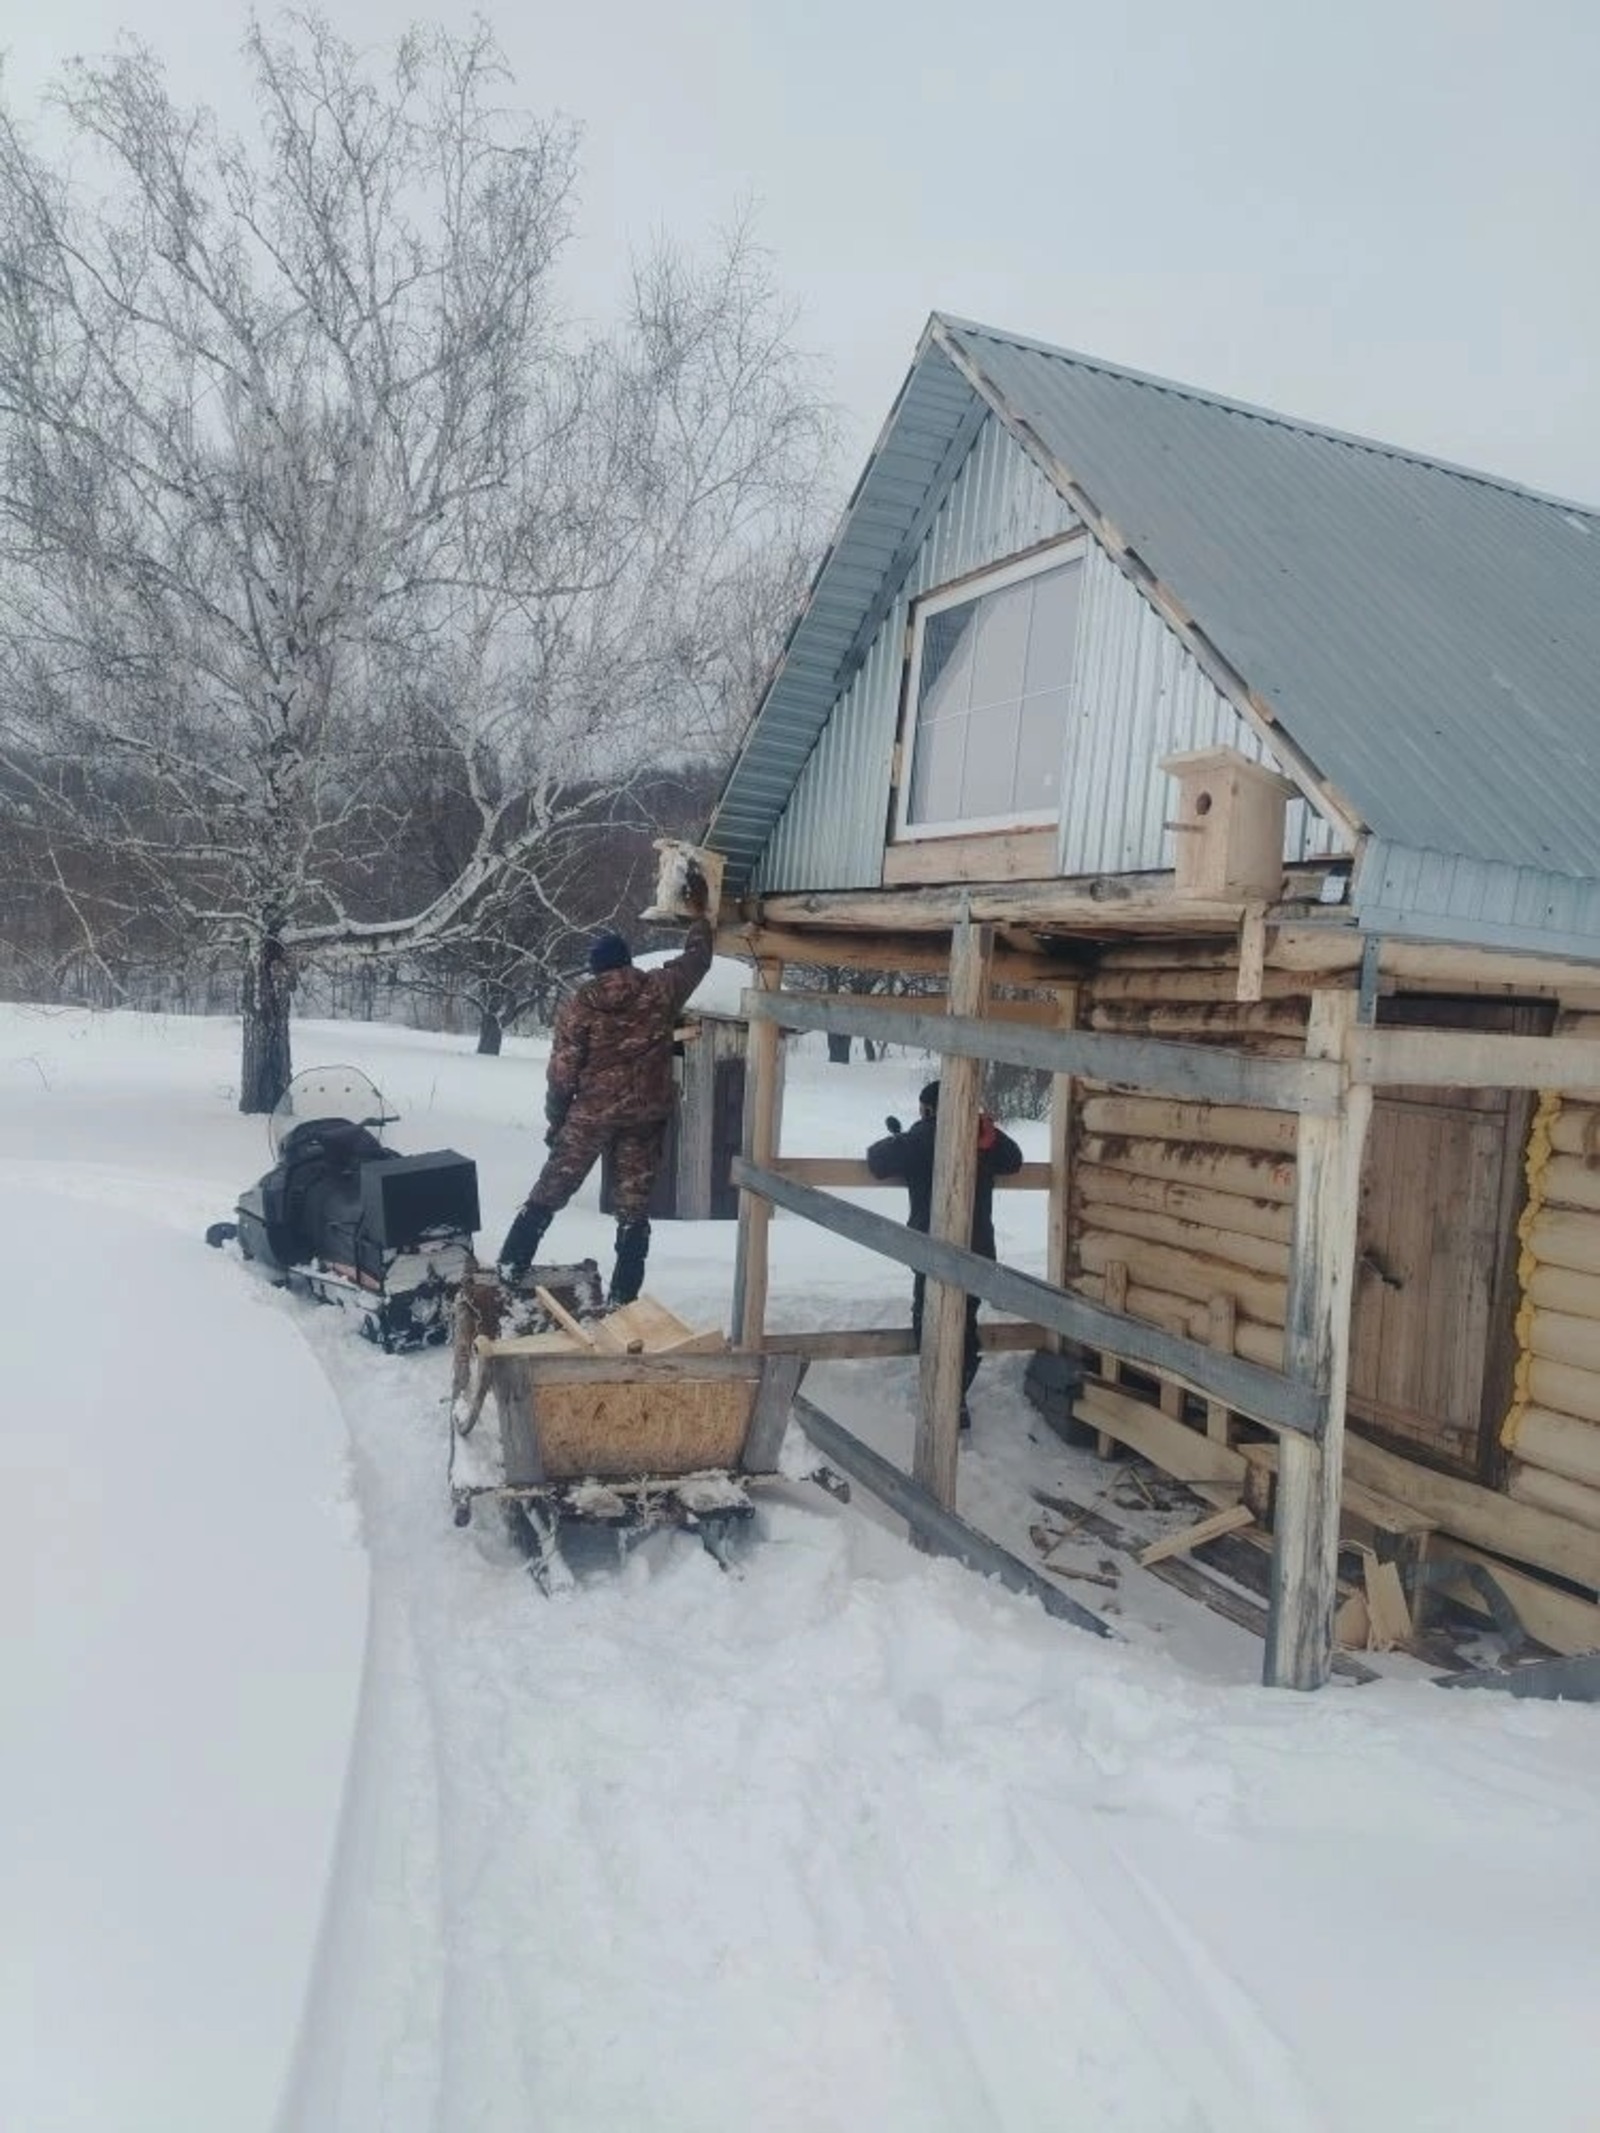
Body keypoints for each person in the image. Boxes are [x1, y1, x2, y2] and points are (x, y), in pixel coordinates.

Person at [496, 871, 712, 1304]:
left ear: (596, 969)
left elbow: (562, 1073)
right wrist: (700, 914)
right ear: (626, 961)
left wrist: (558, 1122)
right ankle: (622, 1298)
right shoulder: (660, 989)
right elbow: (698, 958)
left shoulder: (580, 1005)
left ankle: (509, 1268)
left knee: (550, 1193)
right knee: (633, 1211)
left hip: (590, 1115)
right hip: (643, 1118)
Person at [865, 1081, 1023, 1428]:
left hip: (931, 1250)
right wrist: (985, 1130)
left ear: (927, 1109)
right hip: (978, 1249)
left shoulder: (923, 1138)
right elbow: (1015, 1160)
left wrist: (913, 1132)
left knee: (929, 1320)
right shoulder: (981, 1136)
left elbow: (876, 1159)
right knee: (964, 1321)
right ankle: (955, 1394)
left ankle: (943, 1397)